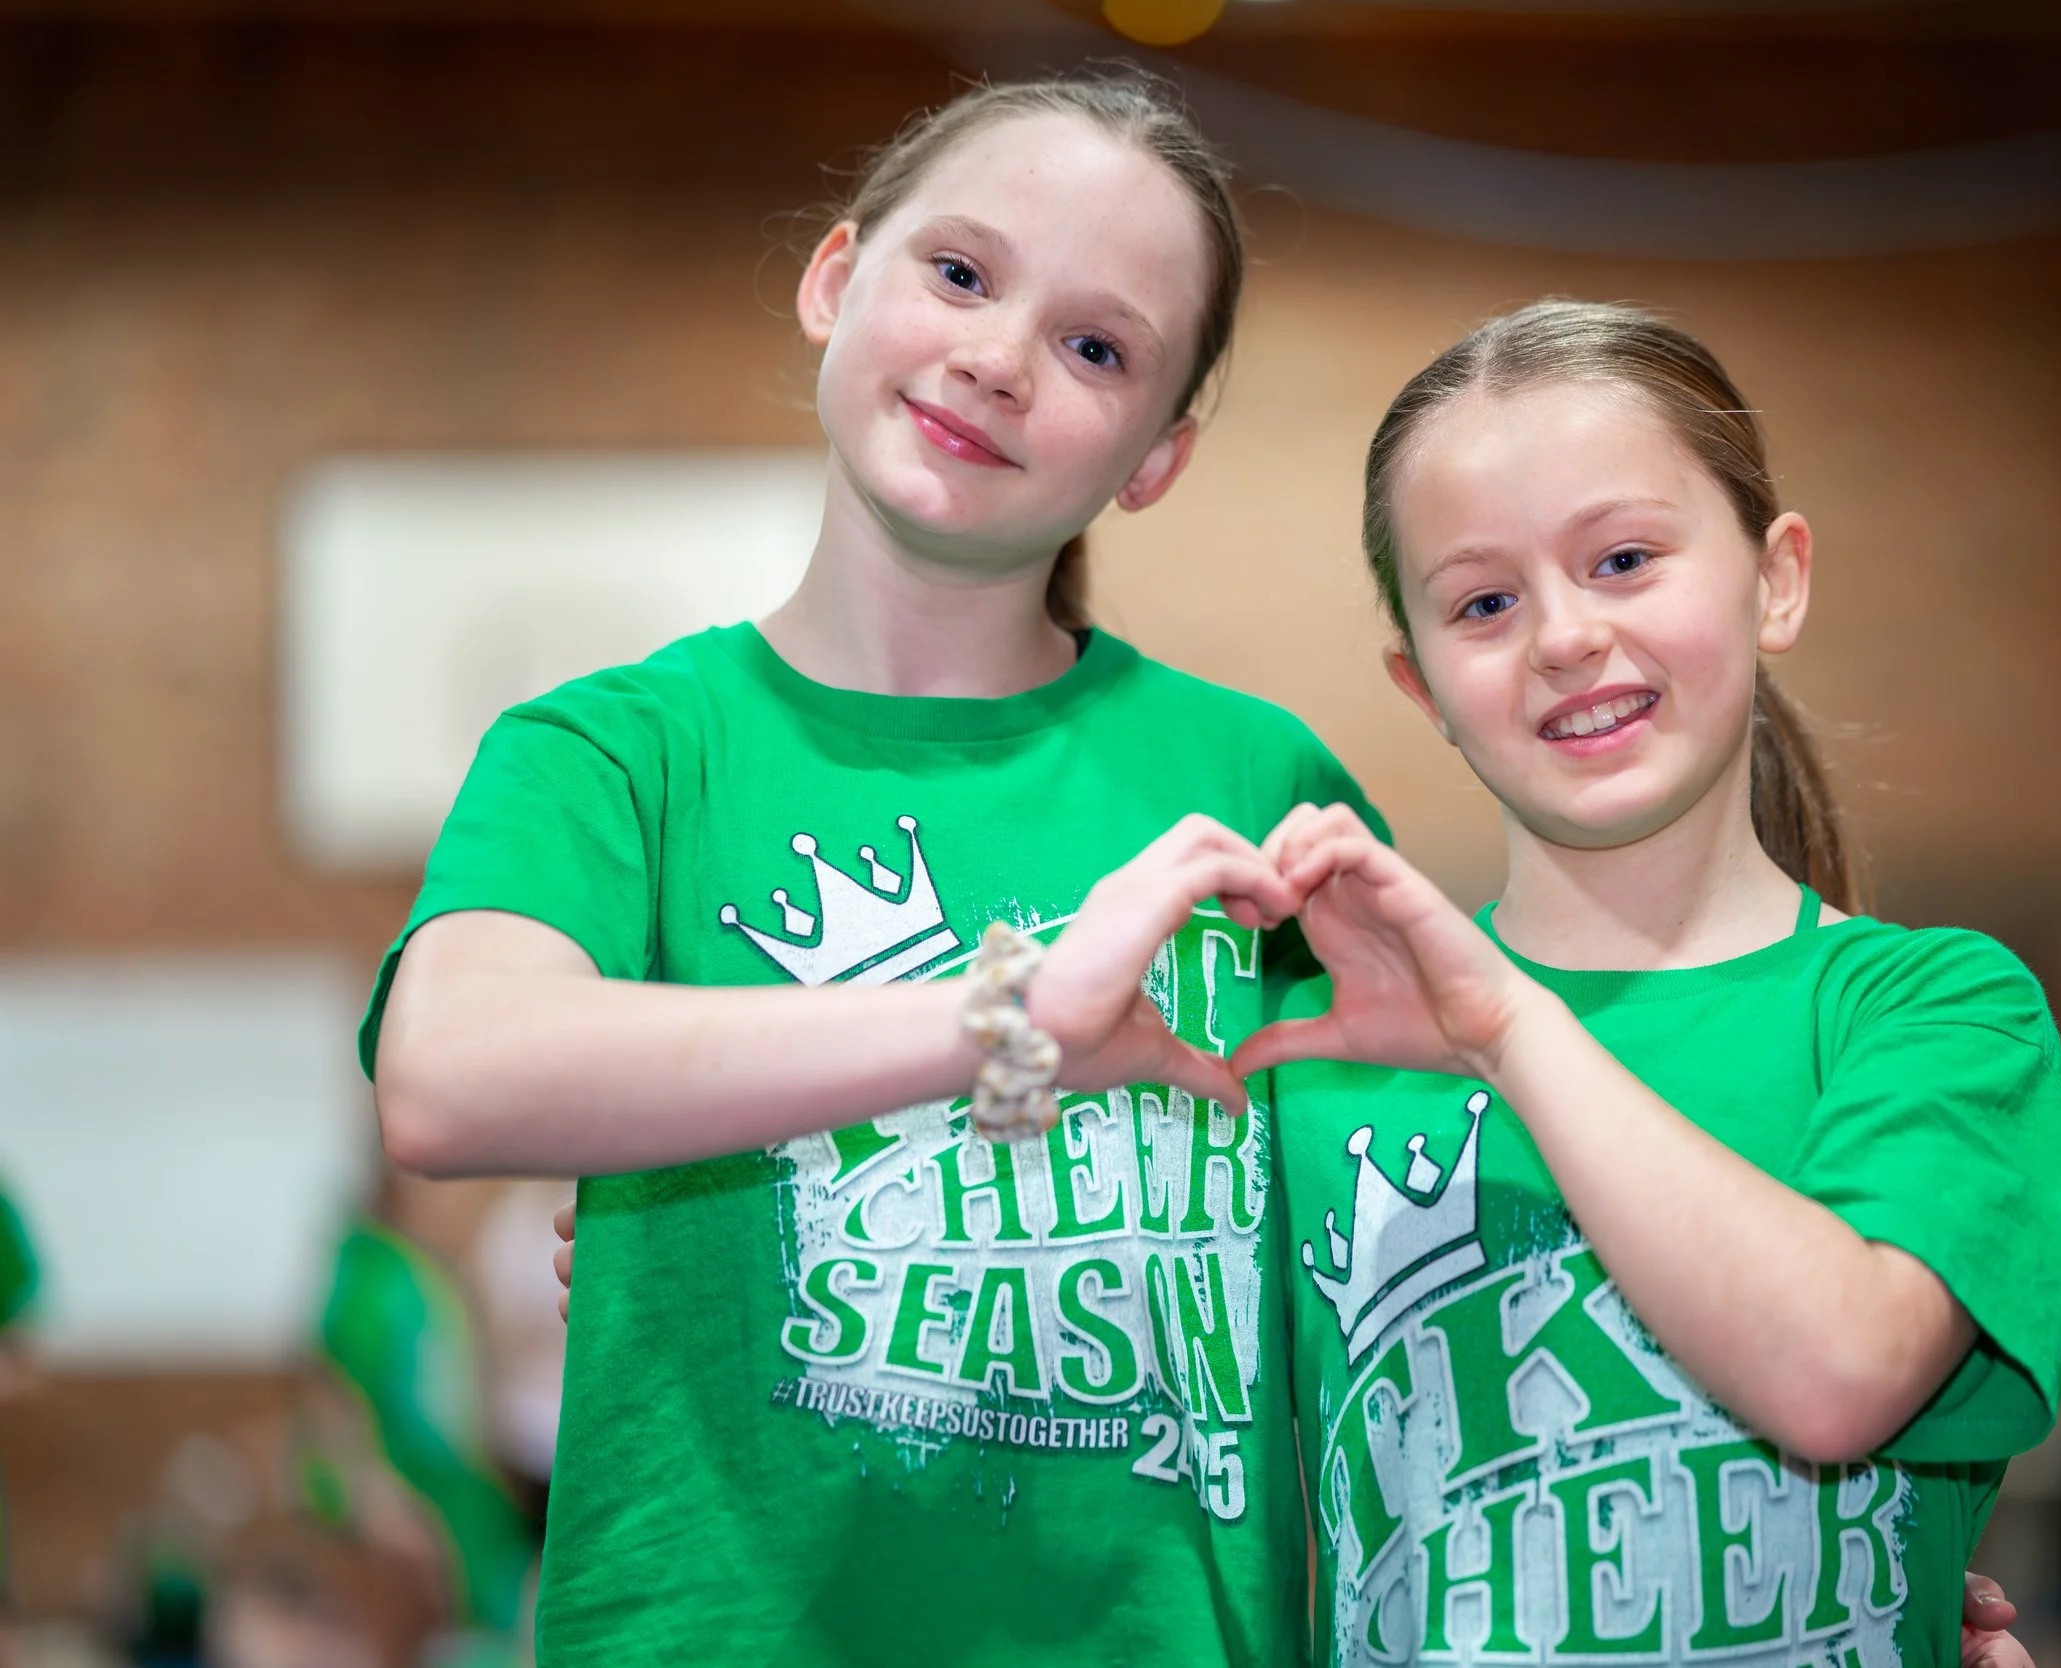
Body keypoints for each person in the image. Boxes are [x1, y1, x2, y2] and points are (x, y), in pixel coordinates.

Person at [368, 71, 1378, 1666]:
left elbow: (1414, 1246)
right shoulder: (616, 752)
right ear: (835, 280)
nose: (998, 357)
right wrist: (1007, 1021)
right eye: (961, 274)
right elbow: (446, 1076)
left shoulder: (1257, 787)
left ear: (1155, 459)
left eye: (1096, 347)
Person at [1233, 301, 2061, 1666]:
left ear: (1775, 578)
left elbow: (1838, 1370)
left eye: (1624, 558)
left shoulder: (1935, 1013)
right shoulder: (1316, 1065)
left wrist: (1508, 1027)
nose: (1564, 636)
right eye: (1484, 602)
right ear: (1423, 684)